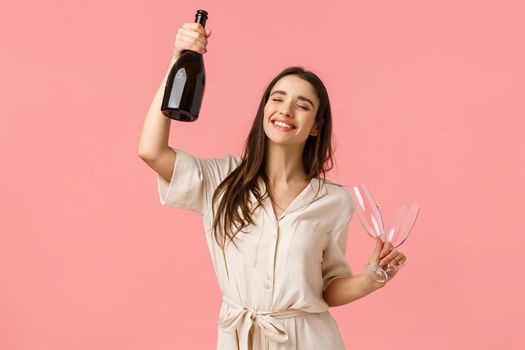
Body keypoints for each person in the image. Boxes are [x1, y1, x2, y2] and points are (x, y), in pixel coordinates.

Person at [138, 22, 407, 350]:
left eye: (303, 105)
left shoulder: (335, 201)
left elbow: (326, 288)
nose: (286, 110)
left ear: (314, 127)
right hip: (240, 340)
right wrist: (179, 59)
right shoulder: (221, 180)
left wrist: (371, 280)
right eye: (277, 99)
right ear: (264, 109)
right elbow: (151, 150)